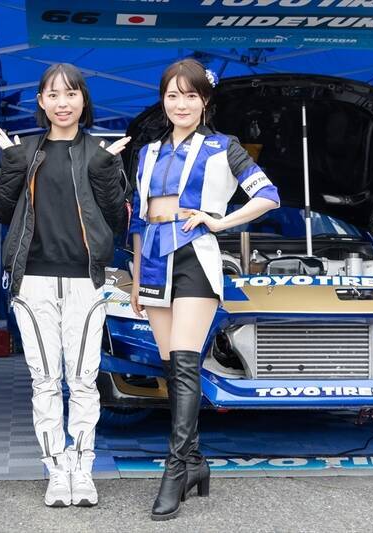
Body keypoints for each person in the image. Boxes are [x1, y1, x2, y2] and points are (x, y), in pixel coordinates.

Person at [128, 59, 279, 521]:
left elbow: (268, 195)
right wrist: (136, 277)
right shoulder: (147, 152)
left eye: (190, 95)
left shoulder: (223, 146)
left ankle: (175, 469)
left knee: (185, 362)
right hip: (154, 261)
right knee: (170, 365)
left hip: (195, 255)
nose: (181, 104)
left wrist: (219, 222)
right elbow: (138, 219)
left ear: (205, 101)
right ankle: (195, 461)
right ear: (163, 100)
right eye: (173, 95)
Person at [0, 63, 129, 508]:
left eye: (70, 94)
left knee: (83, 380)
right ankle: (56, 470)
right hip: (33, 282)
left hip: (87, 282)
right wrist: (11, 164)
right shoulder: (25, 151)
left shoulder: (99, 152)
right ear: (41, 102)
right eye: (53, 94)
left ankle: (82, 470)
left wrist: (106, 170)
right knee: (44, 381)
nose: (62, 103)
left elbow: (117, 220)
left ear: (83, 100)